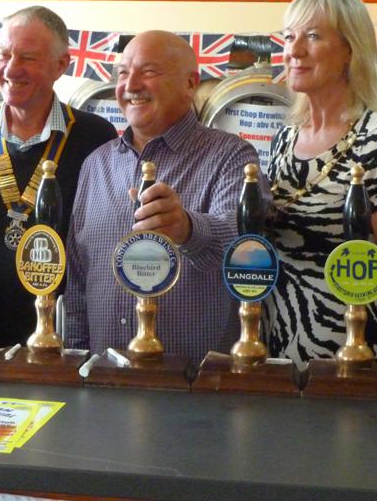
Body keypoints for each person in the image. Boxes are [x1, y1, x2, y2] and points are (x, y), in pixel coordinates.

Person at [64, 30, 261, 364]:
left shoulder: (233, 156)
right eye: (123, 73)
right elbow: (78, 282)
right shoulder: (96, 164)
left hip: (195, 387)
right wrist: (75, 359)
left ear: (190, 84)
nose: (131, 84)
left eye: (149, 72)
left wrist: (186, 228)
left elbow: (245, 252)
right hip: (102, 379)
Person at [264, 0, 377, 378]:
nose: (294, 49)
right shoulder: (284, 140)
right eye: (289, 36)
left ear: (350, 51)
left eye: (313, 36)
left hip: (352, 364)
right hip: (276, 357)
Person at [0, 6, 117, 347]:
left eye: (27, 57)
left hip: (67, 330)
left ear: (60, 65)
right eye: (4, 55)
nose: (11, 69)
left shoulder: (95, 135)